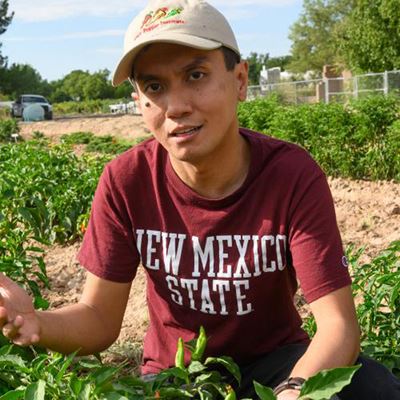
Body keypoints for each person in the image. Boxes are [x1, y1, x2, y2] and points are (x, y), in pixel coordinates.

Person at [0, 1, 399, 399]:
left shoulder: (290, 175)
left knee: (372, 385)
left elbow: (338, 326)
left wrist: (294, 391)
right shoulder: (127, 180)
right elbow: (98, 318)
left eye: (195, 75)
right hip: (176, 376)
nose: (176, 107)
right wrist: (36, 321)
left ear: (240, 79)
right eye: (154, 87)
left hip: (278, 364)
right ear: (139, 101)